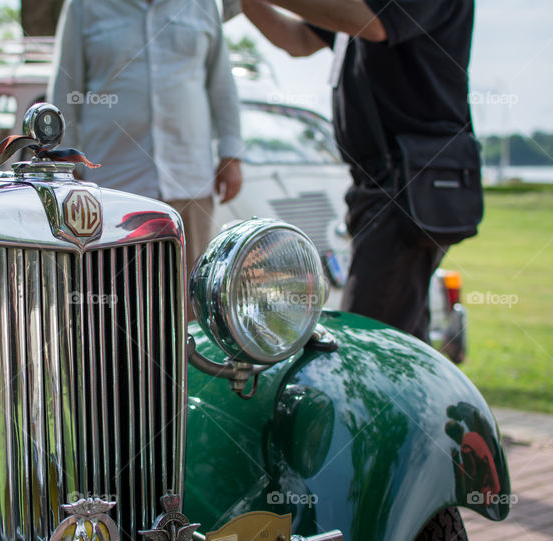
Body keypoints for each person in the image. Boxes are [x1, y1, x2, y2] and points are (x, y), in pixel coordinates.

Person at [241, 0, 476, 342]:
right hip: (384, 182)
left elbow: (375, 22)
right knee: (401, 336)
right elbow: (297, 40)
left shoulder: (370, 11)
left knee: (366, 339)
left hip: (406, 181)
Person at [48, 0, 245, 276]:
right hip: (112, 188)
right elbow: (64, 88)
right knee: (115, 291)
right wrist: (65, 167)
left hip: (190, 182)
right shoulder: (84, 6)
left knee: (189, 295)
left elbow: (221, 83)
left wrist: (231, 155)